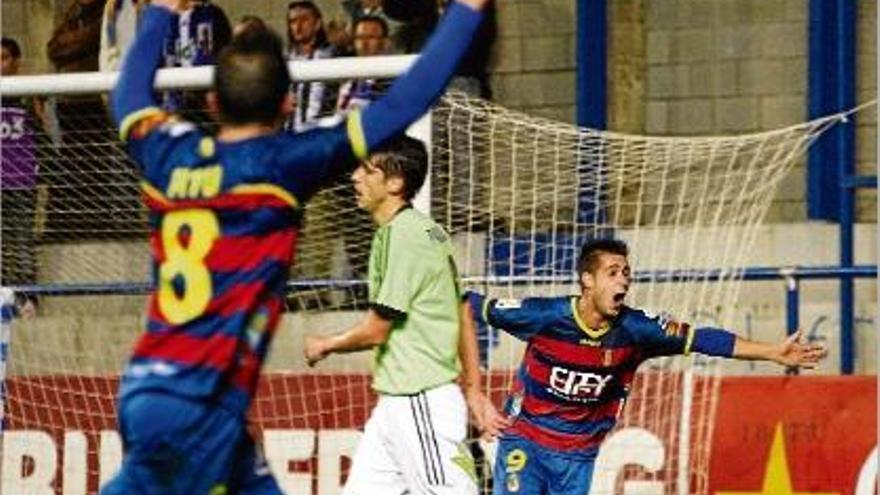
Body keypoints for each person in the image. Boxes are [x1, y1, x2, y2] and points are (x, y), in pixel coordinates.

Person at [101, 0, 492, 492]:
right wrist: (466, 10)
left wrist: (158, 10)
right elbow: (403, 103)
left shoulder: (167, 150)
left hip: (149, 388)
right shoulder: (283, 165)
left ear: (213, 102)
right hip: (200, 404)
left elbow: (130, 95)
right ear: (288, 103)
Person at [466, 238, 829, 495]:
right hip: (525, 442)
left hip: (578, 456)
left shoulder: (637, 329)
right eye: (613, 272)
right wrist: (472, 389)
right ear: (587, 280)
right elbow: (467, 303)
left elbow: (703, 338)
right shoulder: (544, 315)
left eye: (626, 272)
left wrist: (770, 352)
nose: (624, 279)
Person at [304, 136, 507, 495]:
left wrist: (326, 344)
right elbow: (461, 313)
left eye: (367, 170)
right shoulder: (426, 230)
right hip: (397, 405)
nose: (355, 178)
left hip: (420, 401)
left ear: (395, 183)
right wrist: (473, 389)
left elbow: (377, 330)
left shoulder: (403, 237)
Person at [1, 37, 40, 316]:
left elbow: (43, 134)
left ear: (15, 62)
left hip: (22, 180)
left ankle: (30, 298)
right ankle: (4, 296)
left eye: (3, 57)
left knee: (23, 240)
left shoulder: (29, 95)